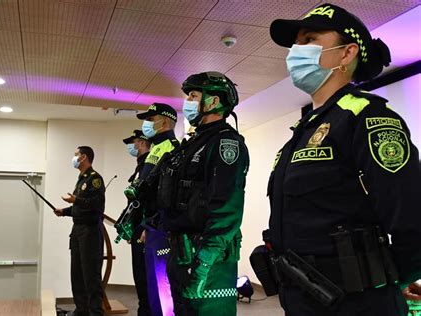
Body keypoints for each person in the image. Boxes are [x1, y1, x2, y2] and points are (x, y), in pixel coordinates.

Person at [266, 3, 421, 315]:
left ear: (347, 53)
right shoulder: (303, 131)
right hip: (305, 298)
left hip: (356, 304)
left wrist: (391, 277)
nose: (297, 49)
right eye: (297, 42)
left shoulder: (366, 116)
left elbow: (411, 217)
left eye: (310, 39)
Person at [158, 71, 249, 315]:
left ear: (214, 101)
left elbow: (226, 210)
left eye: (194, 95)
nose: (188, 101)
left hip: (209, 263)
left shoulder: (225, 144)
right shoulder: (192, 145)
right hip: (182, 253)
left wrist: (203, 264)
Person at [133, 103, 180, 316]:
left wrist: (151, 223)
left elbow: (165, 194)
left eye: (151, 119)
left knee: (160, 290)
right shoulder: (156, 148)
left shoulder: (170, 147)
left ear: (164, 121)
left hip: (158, 228)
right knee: (147, 284)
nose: (147, 124)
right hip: (149, 225)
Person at [54, 146, 105, 316]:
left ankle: (94, 312)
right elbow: (80, 206)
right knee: (76, 274)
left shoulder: (95, 178)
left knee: (90, 275)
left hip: (90, 232)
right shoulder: (82, 179)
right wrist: (65, 211)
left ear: (83, 157)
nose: (74, 157)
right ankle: (81, 309)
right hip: (77, 231)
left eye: (76, 154)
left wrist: (76, 199)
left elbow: (96, 205)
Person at [122, 130, 152, 315]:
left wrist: (146, 226)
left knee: (144, 278)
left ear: (141, 143)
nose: (130, 147)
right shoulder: (140, 166)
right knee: (140, 278)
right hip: (137, 228)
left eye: (132, 142)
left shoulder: (149, 166)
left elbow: (149, 201)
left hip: (145, 230)